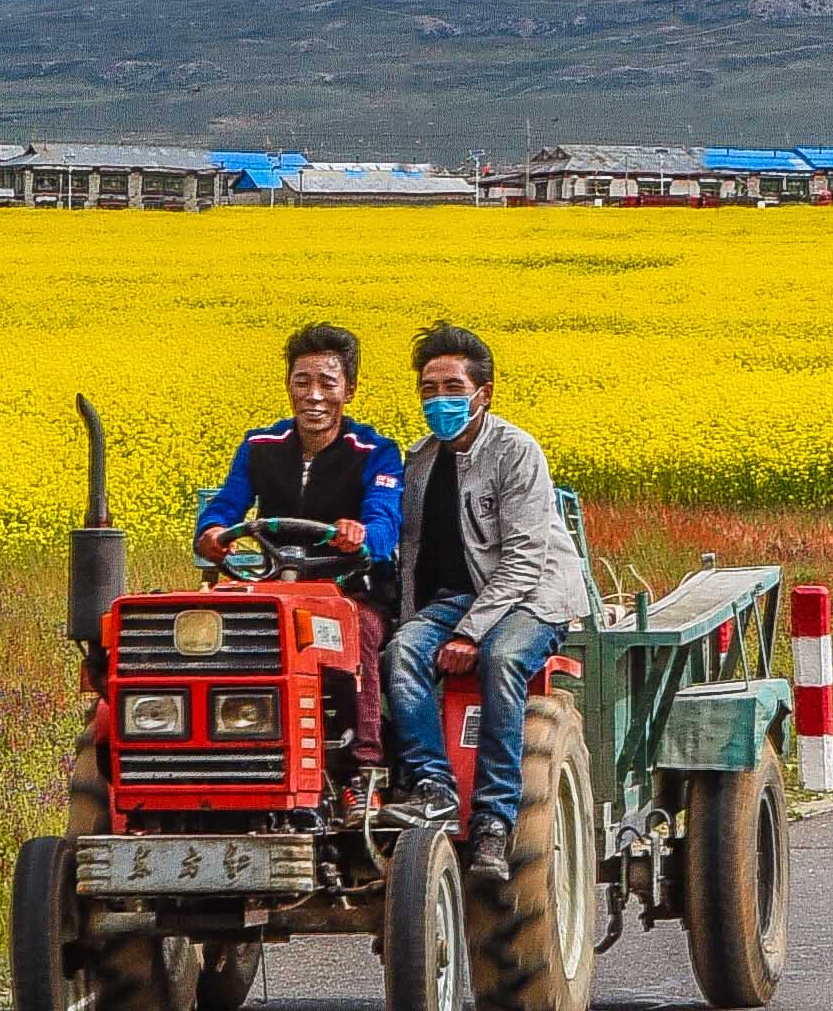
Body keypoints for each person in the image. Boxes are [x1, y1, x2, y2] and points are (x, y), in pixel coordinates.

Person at [382, 322, 595, 885]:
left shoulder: (515, 452)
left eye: (453, 388)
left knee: (502, 659)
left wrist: (470, 634)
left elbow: (524, 560)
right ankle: (434, 788)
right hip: (460, 598)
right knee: (401, 651)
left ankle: (495, 819)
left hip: (534, 595)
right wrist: (413, 622)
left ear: (484, 393)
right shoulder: (421, 460)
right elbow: (411, 557)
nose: (439, 401)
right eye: (428, 389)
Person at [195, 323, 402, 593]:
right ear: (288, 386)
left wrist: (360, 535)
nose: (314, 396)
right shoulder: (259, 446)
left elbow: (384, 523)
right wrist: (213, 530)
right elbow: (227, 503)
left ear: (349, 391)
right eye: (302, 383)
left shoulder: (376, 451)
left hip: (352, 592)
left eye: (327, 385)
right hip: (275, 585)